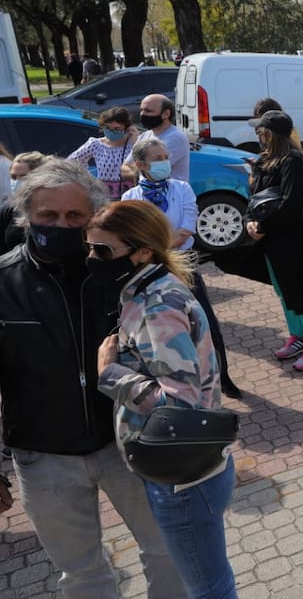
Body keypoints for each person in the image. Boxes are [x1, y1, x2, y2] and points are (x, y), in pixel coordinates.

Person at [0, 158, 187, 598]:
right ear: (26, 216)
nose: (61, 225)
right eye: (48, 215)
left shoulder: (123, 275)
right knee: (81, 572)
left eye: (74, 216)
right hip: (45, 456)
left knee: (169, 551)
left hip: (130, 444)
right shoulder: (3, 282)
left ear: (93, 218)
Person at [89, 200, 238, 599]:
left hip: (182, 477)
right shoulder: (147, 288)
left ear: (142, 252)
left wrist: (110, 373)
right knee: (209, 580)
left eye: (103, 250)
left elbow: (179, 405)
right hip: (184, 468)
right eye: (89, 247)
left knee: (208, 588)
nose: (93, 258)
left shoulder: (156, 305)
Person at [123, 137, 241, 398]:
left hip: (184, 264)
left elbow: (187, 227)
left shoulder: (182, 188)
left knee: (206, 321)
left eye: (166, 157)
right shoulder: (130, 198)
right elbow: (134, 236)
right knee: (160, 327)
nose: (165, 162)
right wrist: (156, 249)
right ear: (141, 164)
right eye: (158, 158)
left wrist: (157, 247)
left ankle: (223, 377)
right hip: (149, 270)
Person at [245, 111, 303, 370]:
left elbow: (293, 203)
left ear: (271, 134)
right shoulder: (264, 160)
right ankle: (298, 335)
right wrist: (250, 220)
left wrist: (263, 225)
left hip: (290, 238)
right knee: (283, 290)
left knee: (299, 291)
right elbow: (255, 197)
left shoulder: (292, 161)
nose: (258, 135)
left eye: (261, 131)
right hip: (270, 239)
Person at [68, 107, 137, 199]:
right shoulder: (95, 144)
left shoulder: (132, 144)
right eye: (108, 128)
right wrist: (88, 180)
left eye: (117, 129)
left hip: (130, 197)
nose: (112, 132)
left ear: (125, 128)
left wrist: (135, 139)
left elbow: (143, 162)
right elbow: (72, 161)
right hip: (104, 198)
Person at [124, 94, 190, 182]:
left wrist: (138, 170)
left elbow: (155, 172)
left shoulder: (176, 138)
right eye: (141, 110)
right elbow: (125, 167)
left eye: (148, 111)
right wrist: (140, 171)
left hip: (170, 190)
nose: (143, 114)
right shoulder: (145, 136)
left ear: (166, 114)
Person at [1, 151, 48, 254]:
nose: (16, 182)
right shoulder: (9, 212)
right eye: (13, 177)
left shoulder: (55, 210)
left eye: (23, 177)